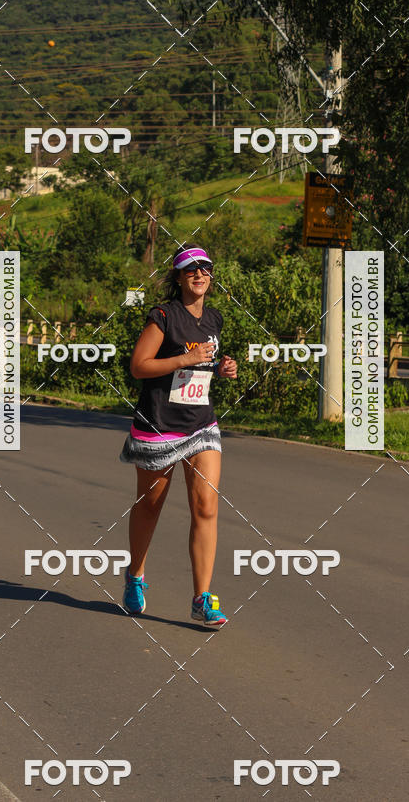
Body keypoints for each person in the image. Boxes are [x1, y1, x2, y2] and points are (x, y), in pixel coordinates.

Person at [120, 247, 237, 628]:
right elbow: (140, 366)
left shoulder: (214, 319)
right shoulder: (164, 316)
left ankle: (203, 598)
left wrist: (221, 367)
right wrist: (184, 360)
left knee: (206, 506)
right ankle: (135, 576)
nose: (199, 274)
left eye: (205, 268)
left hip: (201, 423)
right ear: (179, 277)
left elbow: (203, 364)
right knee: (150, 505)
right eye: (191, 270)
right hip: (159, 425)